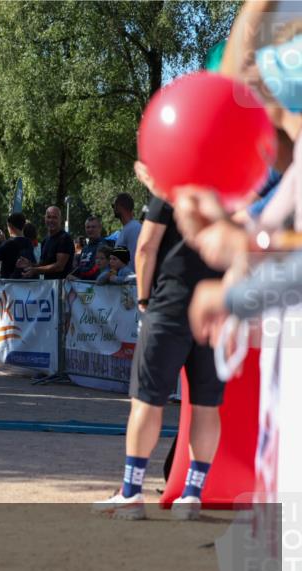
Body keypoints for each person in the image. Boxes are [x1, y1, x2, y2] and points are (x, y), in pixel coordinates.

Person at [91, 196, 224, 520]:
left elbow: (146, 247)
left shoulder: (171, 189)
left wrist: (143, 299)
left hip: (170, 305)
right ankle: (192, 494)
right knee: (206, 406)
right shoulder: (235, 190)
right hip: (217, 308)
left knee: (147, 401)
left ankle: (132, 492)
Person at [18, 207, 73, 279]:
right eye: (49, 217)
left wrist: (35, 270)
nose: (51, 220)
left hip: (62, 287)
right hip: (49, 286)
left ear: (60, 220)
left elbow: (59, 266)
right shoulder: (45, 240)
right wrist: (30, 264)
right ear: (45, 219)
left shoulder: (64, 238)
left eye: (54, 217)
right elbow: (42, 265)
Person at [0, 213, 32, 278]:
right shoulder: (28, 242)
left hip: (10, 283)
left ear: (10, 225)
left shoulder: (9, 243)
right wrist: (4, 241)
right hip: (24, 283)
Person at [113, 193, 142, 270]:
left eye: (114, 206)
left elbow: (134, 260)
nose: (113, 209)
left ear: (119, 206)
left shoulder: (134, 228)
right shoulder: (127, 229)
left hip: (130, 280)